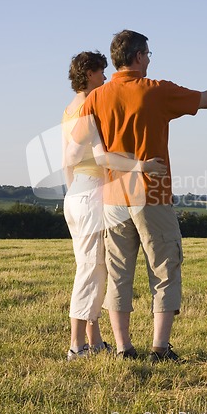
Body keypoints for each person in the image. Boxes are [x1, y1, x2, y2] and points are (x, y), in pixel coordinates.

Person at [69, 31, 207, 362]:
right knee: (165, 268)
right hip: (151, 194)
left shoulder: (95, 97)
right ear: (138, 57)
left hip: (111, 198)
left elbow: (76, 145)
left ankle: (123, 348)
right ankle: (160, 348)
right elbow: (205, 99)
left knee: (119, 273)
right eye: (149, 54)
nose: (150, 59)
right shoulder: (154, 90)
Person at [62, 50, 166, 361]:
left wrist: (73, 195)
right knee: (91, 272)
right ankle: (77, 345)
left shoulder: (69, 108)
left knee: (97, 268)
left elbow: (66, 160)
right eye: (100, 73)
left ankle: (94, 342)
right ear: (89, 74)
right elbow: (99, 156)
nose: (105, 78)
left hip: (77, 193)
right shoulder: (89, 106)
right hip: (93, 192)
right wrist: (140, 166)